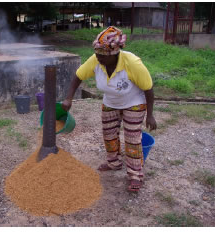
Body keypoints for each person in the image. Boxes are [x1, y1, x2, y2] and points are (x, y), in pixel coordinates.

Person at [62, 26, 157, 192]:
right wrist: (69, 98)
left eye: (101, 56)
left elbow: (148, 89)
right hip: (110, 102)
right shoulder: (96, 59)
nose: (97, 58)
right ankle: (114, 162)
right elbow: (78, 76)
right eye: (97, 54)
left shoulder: (132, 63)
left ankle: (135, 175)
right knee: (109, 134)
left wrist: (150, 115)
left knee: (132, 138)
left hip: (133, 102)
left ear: (114, 54)